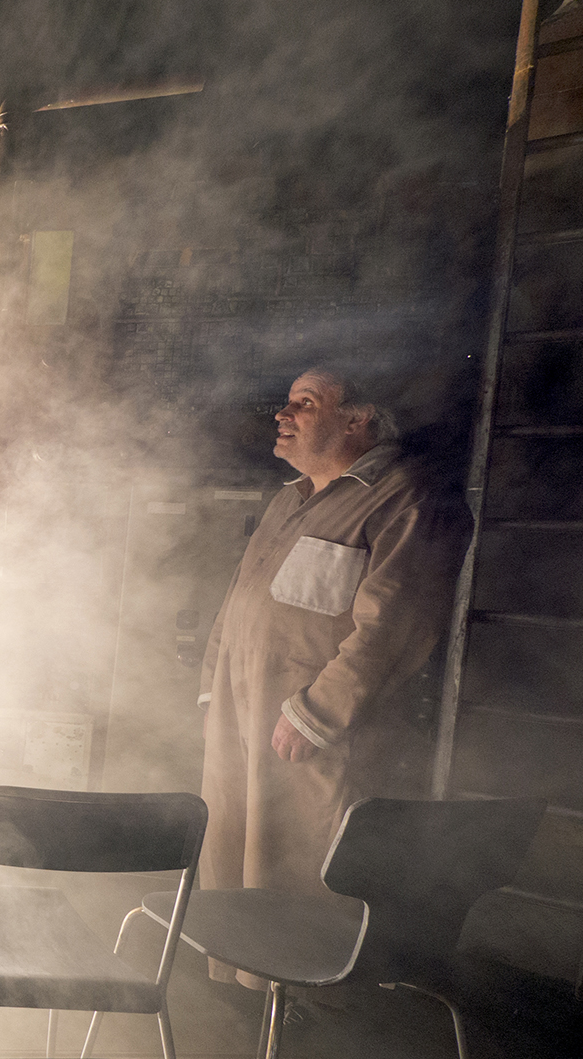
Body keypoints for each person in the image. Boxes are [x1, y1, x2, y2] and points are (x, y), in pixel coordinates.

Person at [197, 367, 466, 941]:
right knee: (236, 863)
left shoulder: (407, 496)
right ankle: (253, 1000)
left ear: (357, 418)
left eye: (305, 403)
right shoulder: (289, 498)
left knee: (303, 872)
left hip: (313, 732)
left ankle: (308, 1006)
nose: (282, 415)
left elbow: (395, 625)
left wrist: (318, 713)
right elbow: (239, 600)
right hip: (240, 716)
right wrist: (210, 688)